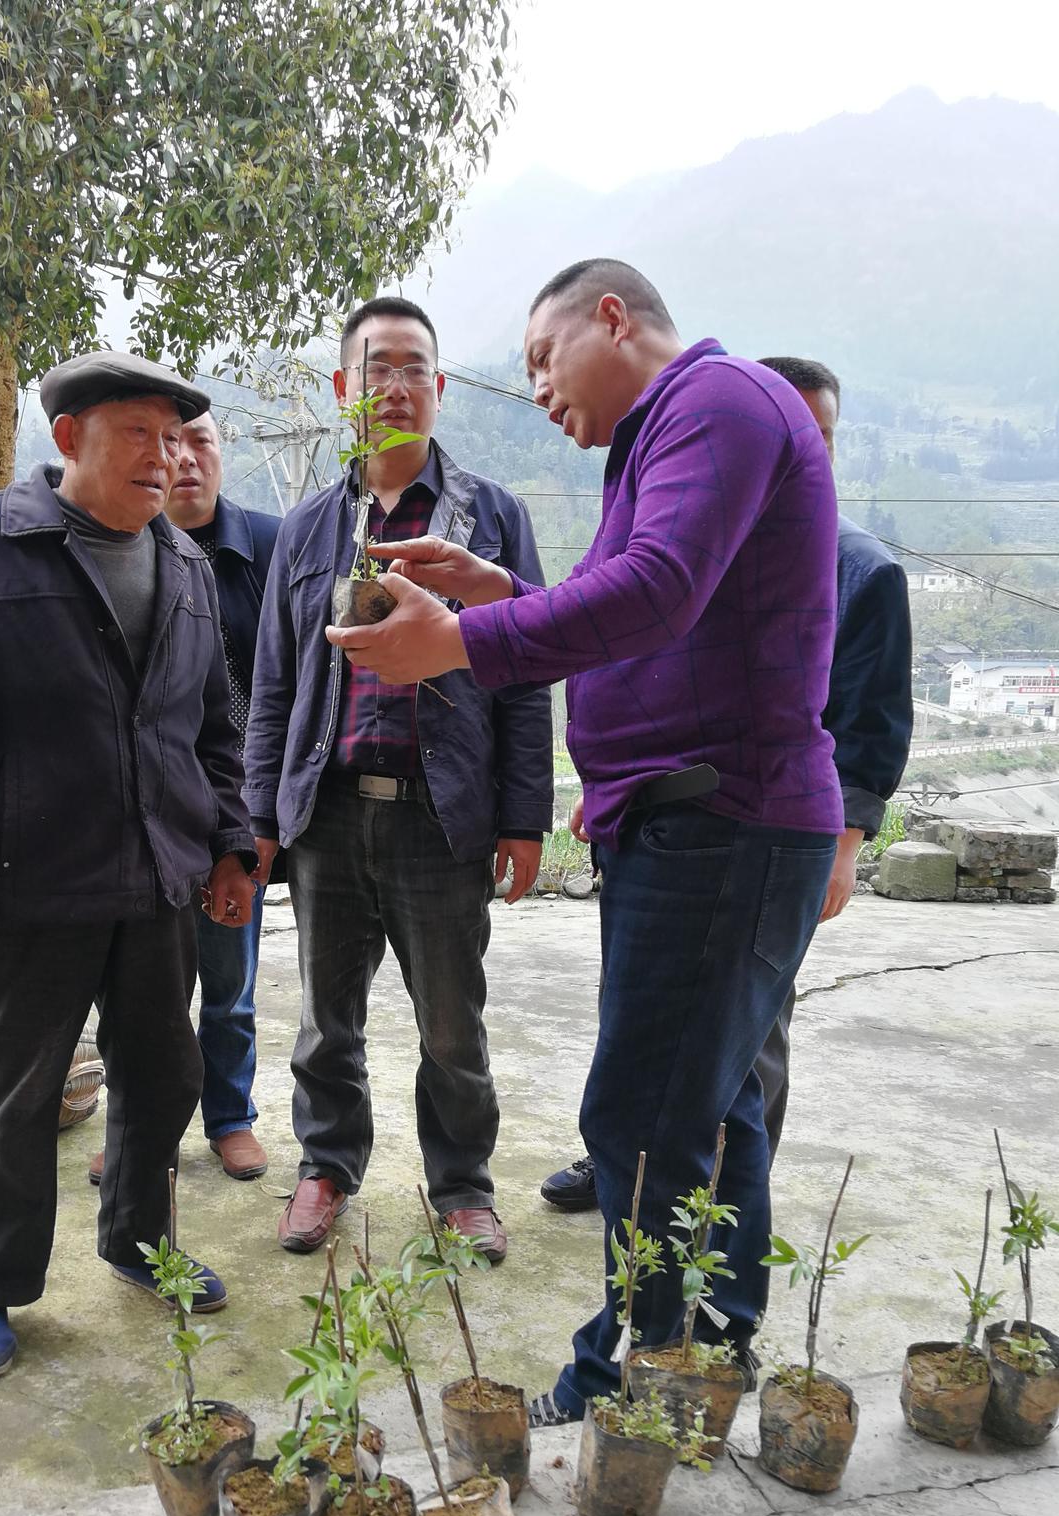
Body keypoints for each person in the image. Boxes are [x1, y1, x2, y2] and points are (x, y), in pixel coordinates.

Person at [326, 261, 842, 1422]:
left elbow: (652, 593)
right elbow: (650, 606)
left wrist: (459, 641)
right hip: (700, 820)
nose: (540, 389)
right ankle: (708, 1339)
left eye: (545, 357)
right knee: (714, 1103)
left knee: (642, 1115)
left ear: (613, 317)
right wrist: (496, 590)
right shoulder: (668, 433)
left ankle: (628, 1377)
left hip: (722, 823)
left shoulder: (715, 403)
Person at [0, 351, 257, 1381]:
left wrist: (230, 841)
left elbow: (213, 728)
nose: (165, 457)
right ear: (67, 438)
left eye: (176, 438)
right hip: (31, 877)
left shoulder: (180, 562)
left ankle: (137, 1238)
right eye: (139, 433)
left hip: (158, 876)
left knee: (164, 1067)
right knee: (19, 1087)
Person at [540, 353, 913, 1212]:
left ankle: (721, 1217)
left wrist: (846, 847)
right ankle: (631, 1172)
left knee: (743, 1046)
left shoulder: (860, 568)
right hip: (662, 828)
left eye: (818, 443)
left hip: (760, 828)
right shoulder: (705, 536)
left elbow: (869, 726)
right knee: (649, 1030)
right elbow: (651, 674)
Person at [242, 296, 554, 1260]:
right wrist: (262, 815)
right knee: (324, 1024)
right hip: (328, 817)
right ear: (344, 391)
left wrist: (524, 818)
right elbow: (273, 687)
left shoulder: (490, 518)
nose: (396, 385)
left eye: (415, 367)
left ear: (440, 389)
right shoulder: (305, 531)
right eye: (376, 368)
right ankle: (326, 1169)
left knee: (454, 1029)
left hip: (443, 817)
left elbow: (527, 674)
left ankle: (461, 1186)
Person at [87, 411, 281, 1185]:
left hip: (232, 807)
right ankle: (139, 1131)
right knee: (137, 993)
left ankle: (229, 1116)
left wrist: (263, 813)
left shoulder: (270, 545)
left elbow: (294, 678)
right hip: (145, 811)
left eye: (203, 442)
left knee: (228, 982)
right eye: (174, 444)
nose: (188, 460)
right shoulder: (118, 548)